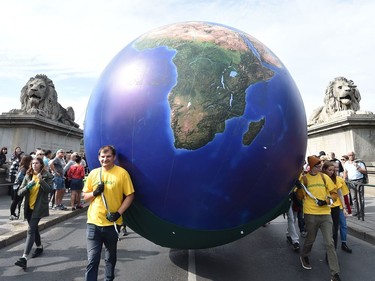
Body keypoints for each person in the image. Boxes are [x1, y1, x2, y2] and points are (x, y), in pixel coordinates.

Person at [82, 145, 135, 281]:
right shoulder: (94, 173)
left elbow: (130, 195)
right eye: (102, 157)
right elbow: (85, 196)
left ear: (114, 157)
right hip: (93, 222)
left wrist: (118, 213)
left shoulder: (122, 173)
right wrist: (94, 193)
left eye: (108, 156)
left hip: (112, 224)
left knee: (110, 258)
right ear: (99, 158)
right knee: (92, 259)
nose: (105, 159)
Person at [295, 155, 341, 281]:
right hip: (311, 214)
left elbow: (334, 193)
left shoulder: (324, 177)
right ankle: (304, 255)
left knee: (330, 243)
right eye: (318, 166)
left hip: (326, 214)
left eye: (320, 166)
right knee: (311, 239)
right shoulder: (304, 179)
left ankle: (335, 274)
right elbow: (300, 197)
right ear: (311, 167)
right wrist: (299, 188)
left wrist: (326, 201)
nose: (320, 168)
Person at [14, 157, 54, 269]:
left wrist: (41, 180)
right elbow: (19, 193)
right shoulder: (28, 176)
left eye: (36, 163)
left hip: (38, 208)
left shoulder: (47, 176)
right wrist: (28, 185)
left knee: (30, 230)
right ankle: (40, 247)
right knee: (34, 229)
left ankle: (24, 258)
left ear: (41, 165)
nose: (34, 165)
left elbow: (49, 190)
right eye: (32, 163)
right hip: (28, 208)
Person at [9, 155, 33, 220]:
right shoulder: (23, 168)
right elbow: (20, 177)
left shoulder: (26, 168)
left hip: (21, 186)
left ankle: (20, 214)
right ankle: (12, 214)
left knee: (20, 201)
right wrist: (27, 180)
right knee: (16, 201)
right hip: (18, 187)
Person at [343, 151, 366, 215]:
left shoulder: (359, 162)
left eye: (352, 155)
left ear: (354, 155)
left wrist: (357, 167)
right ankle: (357, 211)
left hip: (359, 181)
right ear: (348, 156)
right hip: (351, 181)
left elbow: (364, 171)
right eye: (350, 155)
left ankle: (361, 212)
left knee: (360, 197)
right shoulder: (346, 163)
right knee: (353, 197)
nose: (351, 156)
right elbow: (345, 172)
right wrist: (344, 180)